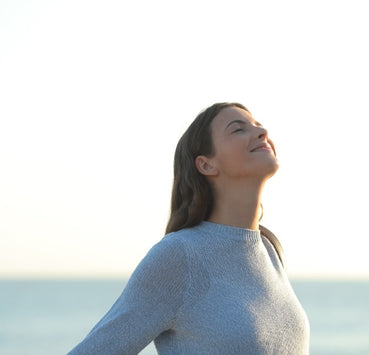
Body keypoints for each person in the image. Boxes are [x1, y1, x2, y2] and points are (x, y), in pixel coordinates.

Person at [68, 102, 310, 354]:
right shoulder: (179, 256)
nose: (262, 133)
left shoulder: (269, 249)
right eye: (238, 130)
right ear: (206, 165)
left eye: (258, 126)